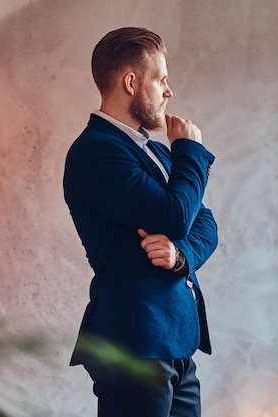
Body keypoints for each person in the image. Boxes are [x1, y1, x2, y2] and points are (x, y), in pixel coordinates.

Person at [63, 27, 218, 417]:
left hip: (177, 341)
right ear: (131, 82)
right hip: (134, 342)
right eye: (161, 79)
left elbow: (206, 222)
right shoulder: (96, 152)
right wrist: (189, 149)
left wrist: (179, 255)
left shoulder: (154, 153)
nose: (169, 91)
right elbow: (177, 215)